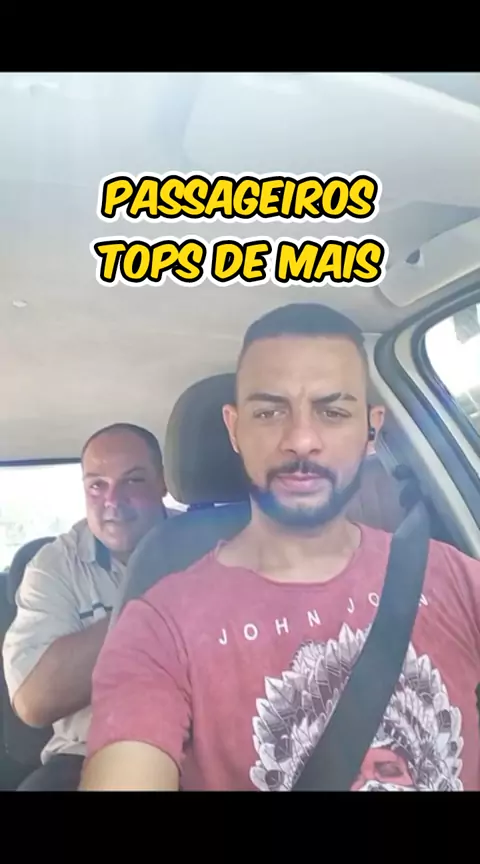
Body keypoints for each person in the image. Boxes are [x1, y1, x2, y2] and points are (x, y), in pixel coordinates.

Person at [79, 304, 480, 792]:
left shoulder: (453, 576)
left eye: (333, 412)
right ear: (234, 429)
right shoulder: (159, 630)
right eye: (269, 412)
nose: (301, 440)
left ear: (371, 429)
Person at [2, 422, 168, 791]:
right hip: (87, 753)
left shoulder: (216, 544)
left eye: (133, 480)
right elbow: (33, 702)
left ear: (163, 483)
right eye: (97, 485)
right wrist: (155, 609)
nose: (113, 500)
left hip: (207, 744)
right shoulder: (53, 566)